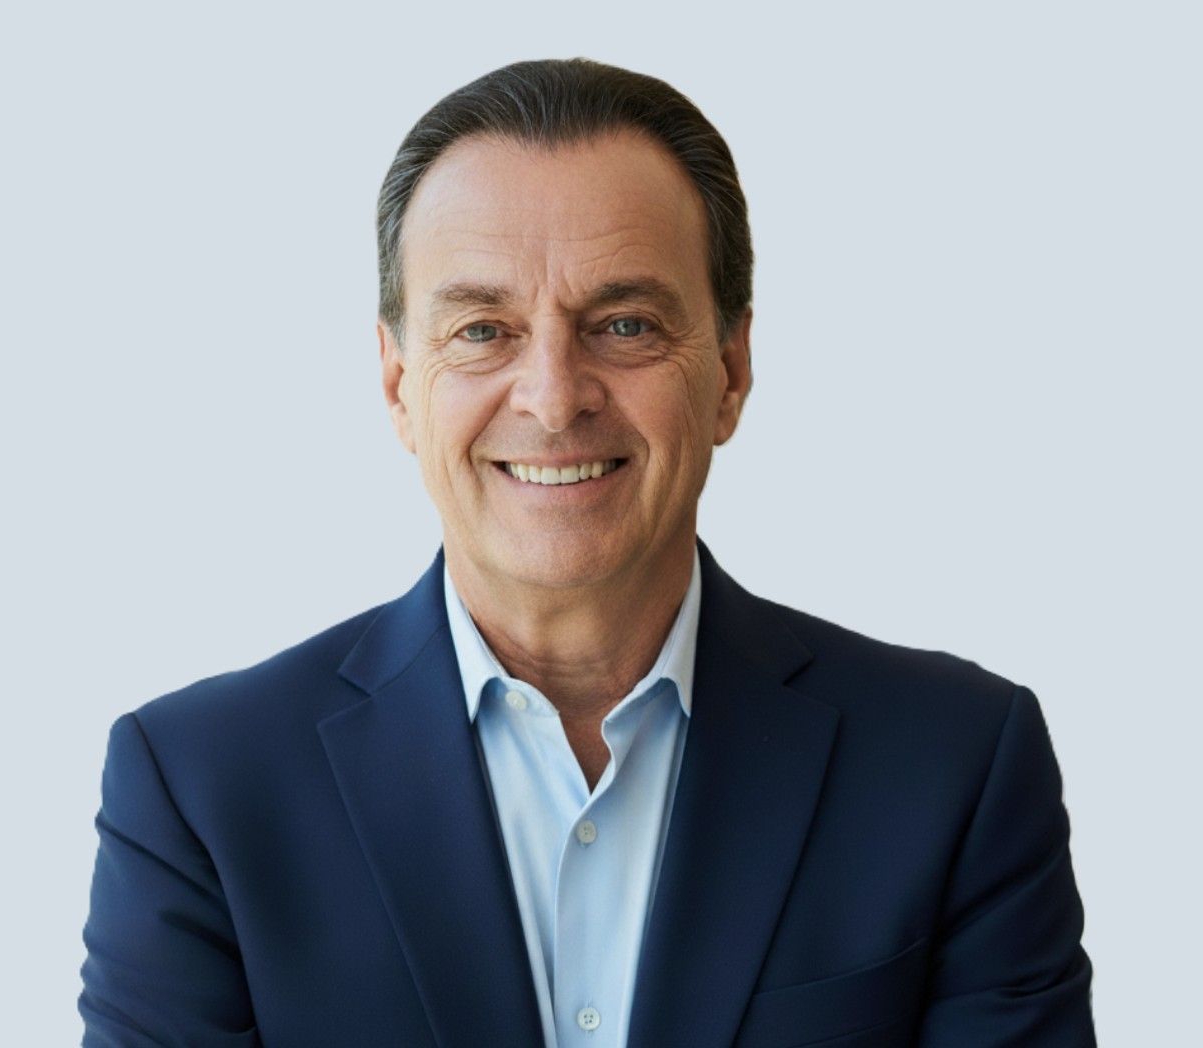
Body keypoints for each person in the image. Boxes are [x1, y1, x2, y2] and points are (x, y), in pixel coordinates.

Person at [79, 58, 1096, 1048]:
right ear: (398, 386)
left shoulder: (953, 766)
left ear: (730, 370)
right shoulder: (201, 790)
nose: (554, 397)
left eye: (624, 323)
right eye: (483, 331)